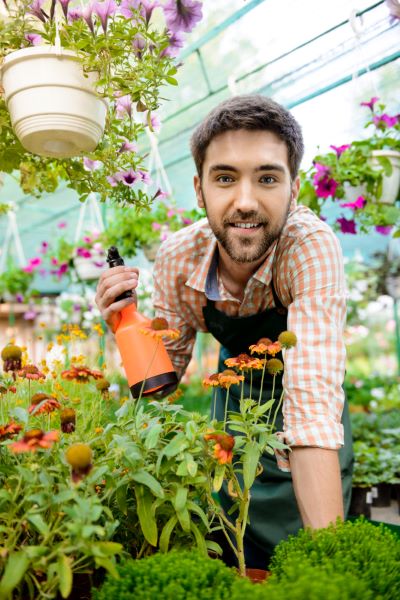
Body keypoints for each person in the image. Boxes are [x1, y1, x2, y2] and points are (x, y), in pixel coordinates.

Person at [95, 94, 353, 569]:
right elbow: (159, 386)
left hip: (310, 411)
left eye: (268, 178)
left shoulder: (310, 247)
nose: (246, 202)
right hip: (233, 406)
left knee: (311, 550)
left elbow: (313, 409)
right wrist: (124, 329)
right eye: (225, 178)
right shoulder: (177, 257)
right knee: (235, 538)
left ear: (294, 189)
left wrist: (327, 572)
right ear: (199, 190)